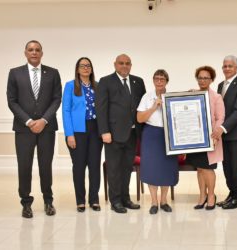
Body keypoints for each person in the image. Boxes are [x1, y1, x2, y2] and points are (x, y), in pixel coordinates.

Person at [6, 40, 62, 218]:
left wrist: (44, 120)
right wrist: (30, 121)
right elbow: (12, 101)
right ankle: (26, 203)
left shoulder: (53, 73)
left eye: (37, 50)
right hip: (24, 129)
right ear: (25, 53)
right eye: (30, 50)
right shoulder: (15, 73)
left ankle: (48, 201)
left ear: (42, 53)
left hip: (47, 128)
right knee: (24, 166)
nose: (34, 52)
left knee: (45, 166)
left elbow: (56, 99)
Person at [95, 54, 145, 213]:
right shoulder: (105, 81)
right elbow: (101, 109)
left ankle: (125, 198)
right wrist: (104, 131)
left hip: (132, 134)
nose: (124, 66)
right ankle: (115, 201)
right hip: (113, 134)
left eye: (127, 63)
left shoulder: (138, 81)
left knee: (126, 167)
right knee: (114, 169)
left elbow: (142, 106)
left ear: (131, 65)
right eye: (121, 63)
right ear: (115, 64)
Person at [62, 57, 103, 212]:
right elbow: (66, 111)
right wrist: (69, 134)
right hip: (77, 131)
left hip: (95, 130)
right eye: (82, 66)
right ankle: (80, 200)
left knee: (94, 166)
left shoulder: (98, 86)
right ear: (77, 69)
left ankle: (94, 199)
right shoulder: (70, 86)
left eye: (88, 66)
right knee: (79, 167)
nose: (86, 68)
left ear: (91, 69)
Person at [137, 69, 179, 215]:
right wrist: (154, 107)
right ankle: (154, 202)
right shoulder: (146, 97)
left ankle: (164, 201)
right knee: (151, 168)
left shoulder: (173, 97)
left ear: (167, 81)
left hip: (168, 135)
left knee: (166, 168)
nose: (159, 81)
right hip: (151, 134)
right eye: (157, 78)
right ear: (153, 80)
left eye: (162, 79)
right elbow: (140, 118)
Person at [212, 55, 237, 209]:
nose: (227, 69)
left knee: (236, 167)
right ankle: (231, 194)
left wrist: (221, 128)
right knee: (227, 167)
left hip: (235, 134)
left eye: (230, 66)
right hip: (223, 135)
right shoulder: (221, 85)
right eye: (224, 66)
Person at [187, 66, 225, 211]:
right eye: (200, 77)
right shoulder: (192, 94)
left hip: (210, 139)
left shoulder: (216, 97)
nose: (202, 80)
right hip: (195, 139)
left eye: (206, 78)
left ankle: (211, 196)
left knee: (208, 169)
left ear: (211, 80)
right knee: (200, 169)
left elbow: (220, 118)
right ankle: (202, 196)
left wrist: (215, 136)